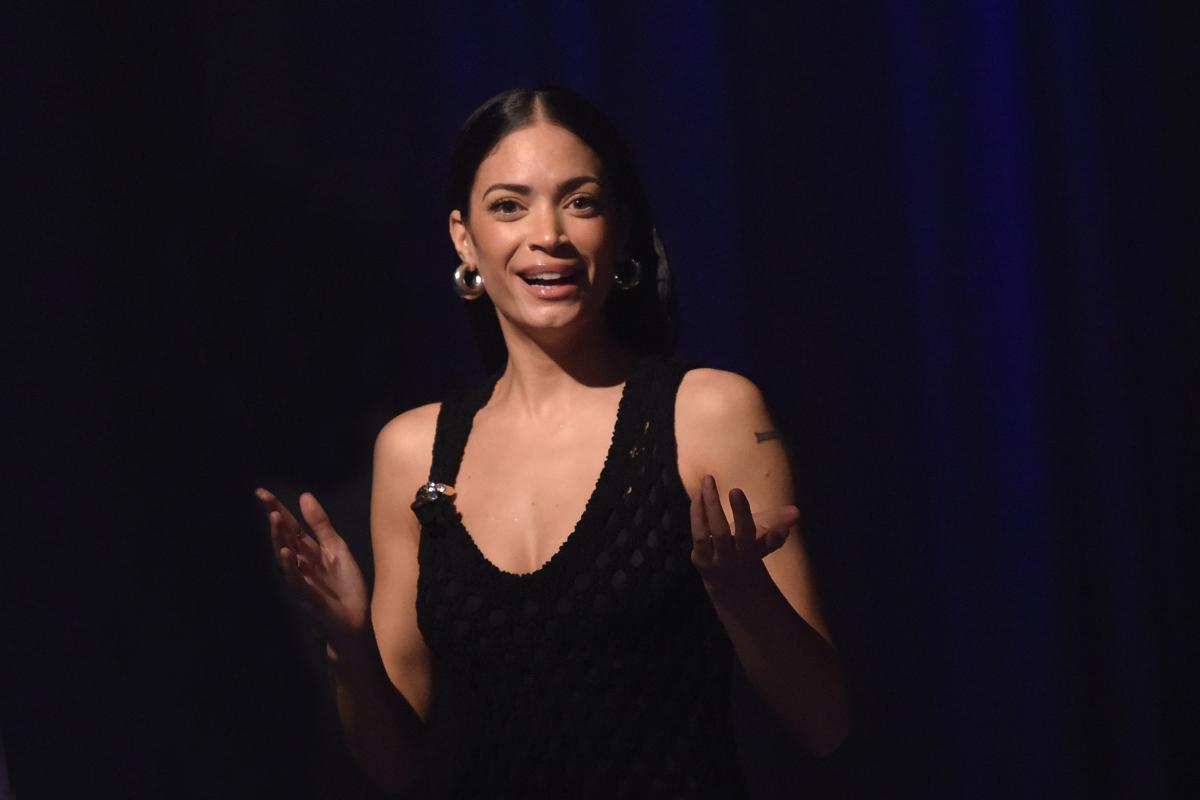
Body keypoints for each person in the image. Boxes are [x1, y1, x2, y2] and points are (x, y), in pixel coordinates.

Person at [256, 87, 852, 798]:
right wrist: (348, 645)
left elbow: (825, 723)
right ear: (464, 238)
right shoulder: (415, 454)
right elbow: (398, 770)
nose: (549, 234)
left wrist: (738, 588)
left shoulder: (707, 412)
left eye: (580, 201)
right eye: (510, 205)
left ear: (621, 226)